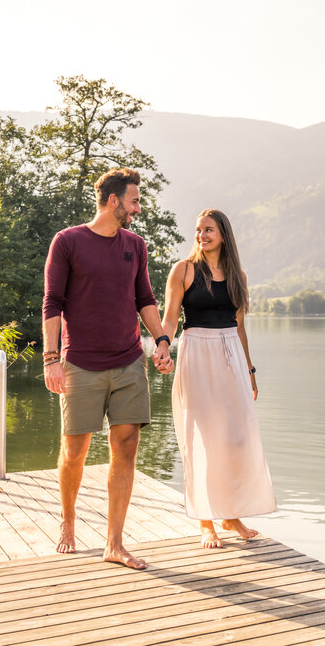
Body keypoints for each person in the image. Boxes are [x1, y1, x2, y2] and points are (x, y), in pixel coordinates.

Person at [42, 168, 174, 570]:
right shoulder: (67, 241)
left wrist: (163, 340)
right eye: (134, 201)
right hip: (81, 362)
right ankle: (68, 519)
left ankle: (114, 542)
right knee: (75, 450)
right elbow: (53, 303)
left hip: (129, 360)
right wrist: (52, 360)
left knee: (127, 447)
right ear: (114, 200)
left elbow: (145, 298)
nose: (137, 208)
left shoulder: (135, 244)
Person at [161, 208, 276, 549]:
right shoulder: (183, 270)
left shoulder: (238, 275)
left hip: (231, 356)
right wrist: (164, 346)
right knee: (201, 439)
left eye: (209, 230)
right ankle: (206, 521)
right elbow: (169, 318)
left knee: (237, 439)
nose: (202, 235)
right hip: (196, 351)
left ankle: (231, 514)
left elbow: (240, 327)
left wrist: (250, 370)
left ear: (223, 234)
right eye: (198, 230)